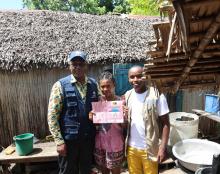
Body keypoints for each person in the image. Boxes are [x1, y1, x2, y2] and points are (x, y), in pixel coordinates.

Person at [47, 51, 100, 174]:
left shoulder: (93, 84)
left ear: (86, 66)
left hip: (88, 139)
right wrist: (59, 141)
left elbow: (103, 107)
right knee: (67, 171)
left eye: (81, 64)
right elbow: (52, 116)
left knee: (86, 170)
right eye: (74, 64)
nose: (78, 67)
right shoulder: (60, 86)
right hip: (68, 141)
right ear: (69, 66)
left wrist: (117, 105)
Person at [124, 65, 170, 174]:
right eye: (132, 77)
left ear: (145, 77)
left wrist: (162, 148)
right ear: (128, 78)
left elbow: (166, 124)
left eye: (139, 76)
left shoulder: (157, 96)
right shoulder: (127, 96)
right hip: (131, 148)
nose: (135, 80)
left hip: (150, 149)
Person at [89, 72, 124, 174]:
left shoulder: (121, 102)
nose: (105, 89)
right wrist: (91, 117)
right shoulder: (98, 102)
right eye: (102, 86)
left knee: (116, 171)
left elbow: (125, 127)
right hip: (100, 144)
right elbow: (97, 125)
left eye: (108, 86)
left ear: (114, 85)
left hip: (115, 144)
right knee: (103, 171)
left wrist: (124, 116)